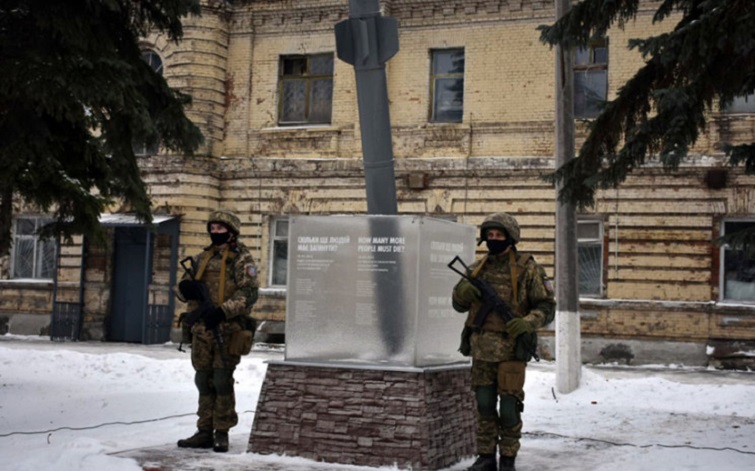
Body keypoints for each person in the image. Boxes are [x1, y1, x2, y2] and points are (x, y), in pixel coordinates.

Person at [452, 213, 556, 471]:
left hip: (511, 351)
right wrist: (462, 293)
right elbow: (458, 304)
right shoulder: (477, 268)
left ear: (510, 238)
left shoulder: (528, 269)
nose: (494, 239)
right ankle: (486, 457)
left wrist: (527, 322)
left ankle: (508, 458)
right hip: (482, 350)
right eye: (490, 235)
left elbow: (547, 307)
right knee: (484, 406)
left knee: (510, 408)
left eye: (499, 235)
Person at [175, 209, 259, 453]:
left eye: (220, 229)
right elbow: (181, 288)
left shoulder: (242, 260)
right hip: (202, 330)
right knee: (203, 379)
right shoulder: (202, 258)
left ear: (231, 232)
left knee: (222, 380)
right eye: (212, 228)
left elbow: (249, 293)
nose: (215, 232)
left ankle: (221, 431)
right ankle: (204, 430)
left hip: (228, 330)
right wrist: (185, 288)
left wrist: (223, 311)